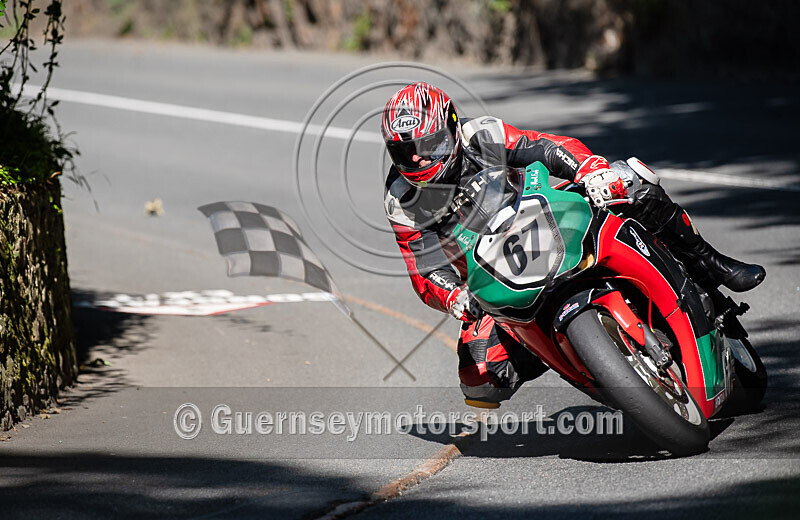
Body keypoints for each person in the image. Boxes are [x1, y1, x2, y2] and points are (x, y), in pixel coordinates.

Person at [382, 82, 765, 407]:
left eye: (428, 145)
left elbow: (545, 147)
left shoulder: (481, 135)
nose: (417, 158)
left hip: (550, 216)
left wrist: (590, 169)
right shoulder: (402, 199)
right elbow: (424, 268)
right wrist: (453, 297)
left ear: (450, 128)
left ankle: (710, 264)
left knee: (634, 182)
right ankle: (584, 355)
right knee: (480, 377)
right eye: (404, 152)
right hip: (494, 281)